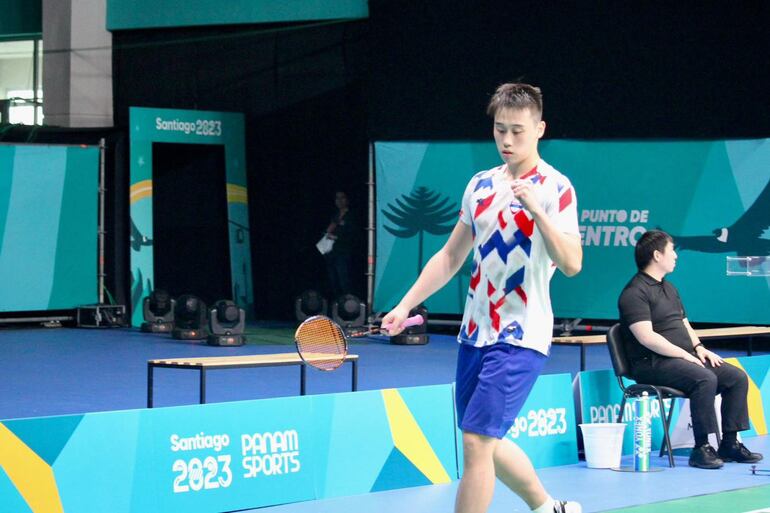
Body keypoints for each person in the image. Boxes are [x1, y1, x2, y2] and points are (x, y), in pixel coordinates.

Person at [383, 83, 583, 513]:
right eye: (499, 130)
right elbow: (451, 255)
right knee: (483, 439)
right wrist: (404, 305)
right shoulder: (480, 185)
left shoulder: (555, 188)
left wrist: (539, 214)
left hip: (522, 332)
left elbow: (571, 263)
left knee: (476, 441)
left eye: (517, 131)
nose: (507, 141)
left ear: (540, 129)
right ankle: (549, 508)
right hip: (476, 332)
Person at [618, 229, 762, 469]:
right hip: (650, 363)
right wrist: (685, 355)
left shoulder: (670, 288)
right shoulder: (634, 292)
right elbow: (646, 337)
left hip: (682, 358)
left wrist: (699, 348)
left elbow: (684, 323)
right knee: (704, 378)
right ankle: (701, 448)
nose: (675, 255)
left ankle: (729, 444)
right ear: (656, 255)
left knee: (735, 377)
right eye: (671, 250)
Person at [324, 190, 356, 299]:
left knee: (344, 280)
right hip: (331, 252)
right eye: (337, 198)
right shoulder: (335, 215)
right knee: (333, 281)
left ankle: (348, 305)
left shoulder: (350, 216)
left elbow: (351, 234)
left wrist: (336, 237)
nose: (339, 200)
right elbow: (328, 231)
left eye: (342, 197)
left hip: (343, 252)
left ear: (347, 199)